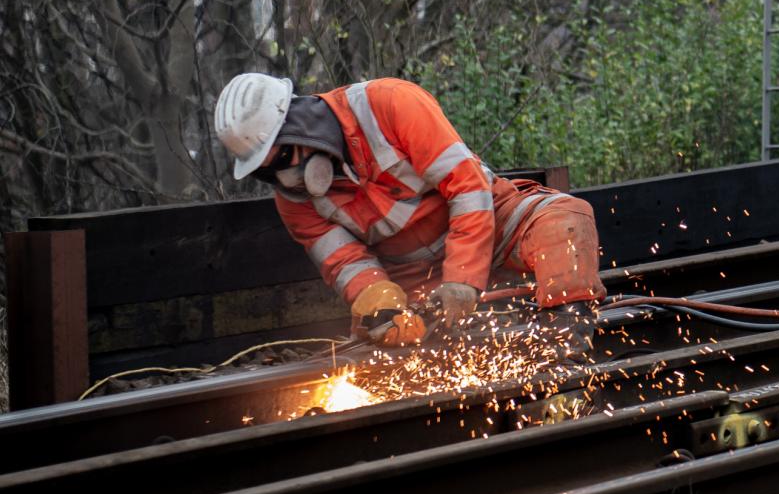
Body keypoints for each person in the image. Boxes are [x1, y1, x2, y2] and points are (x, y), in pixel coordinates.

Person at [213, 73, 604, 353]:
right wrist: (379, 300)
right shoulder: (293, 200)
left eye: (283, 156)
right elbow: (345, 262)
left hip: (491, 219)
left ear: (301, 122)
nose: (286, 174)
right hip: (415, 277)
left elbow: (467, 190)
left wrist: (463, 277)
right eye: (268, 170)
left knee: (565, 222)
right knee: (384, 345)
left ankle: (566, 343)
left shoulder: (391, 103)